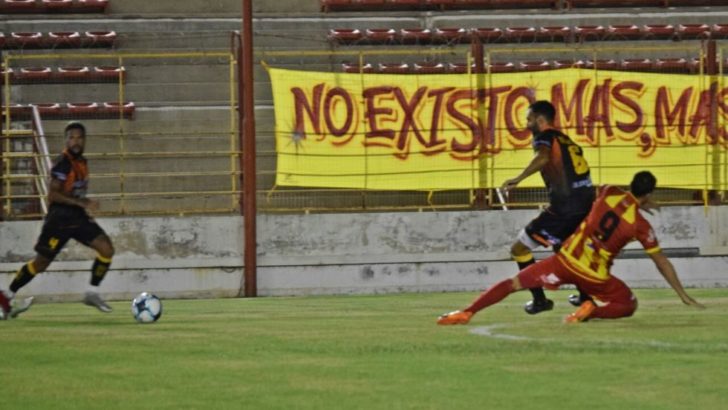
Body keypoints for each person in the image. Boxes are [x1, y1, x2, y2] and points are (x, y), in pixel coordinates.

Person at [438, 171, 703, 325]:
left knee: (514, 283)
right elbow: (661, 262)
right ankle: (591, 310)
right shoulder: (641, 225)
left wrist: (637, 200)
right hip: (594, 277)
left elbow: (618, 202)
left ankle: (467, 312)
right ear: (650, 194)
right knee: (628, 303)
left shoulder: (609, 191)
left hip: (564, 261)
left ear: (632, 184)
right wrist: (682, 293)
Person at [1, 121, 114, 320]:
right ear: (66, 140)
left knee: (106, 249)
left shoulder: (82, 162)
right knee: (41, 263)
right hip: (59, 220)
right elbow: (53, 195)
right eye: (72, 137)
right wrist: (82, 203)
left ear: (84, 140)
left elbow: (75, 192)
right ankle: (6, 296)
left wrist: (83, 204)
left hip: (77, 219)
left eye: (79, 137)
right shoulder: (63, 163)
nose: (76, 141)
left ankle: (91, 292)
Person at [501, 100, 595, 314]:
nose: (527, 124)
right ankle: (586, 298)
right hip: (585, 202)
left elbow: (543, 157)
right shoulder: (565, 139)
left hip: (565, 207)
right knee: (563, 248)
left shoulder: (544, 137)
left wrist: (519, 178)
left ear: (540, 120)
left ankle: (540, 300)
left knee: (519, 249)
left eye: (529, 119)